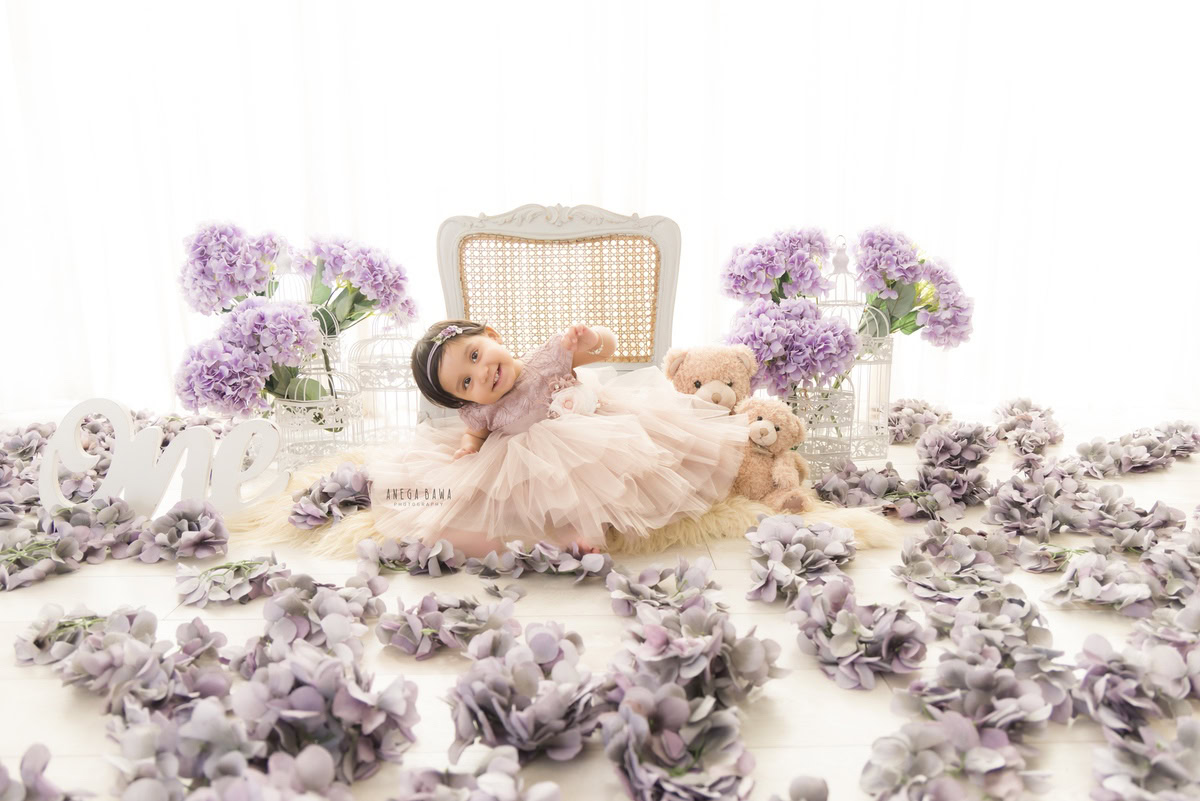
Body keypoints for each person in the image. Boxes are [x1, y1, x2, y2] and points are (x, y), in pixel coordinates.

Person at [362, 318, 749, 557]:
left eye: (476, 355)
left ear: (491, 335)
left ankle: (589, 526)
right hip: (526, 463)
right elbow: (474, 435)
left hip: (593, 436)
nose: (480, 374)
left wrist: (591, 338)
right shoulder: (481, 411)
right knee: (500, 506)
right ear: (464, 399)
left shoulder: (550, 355)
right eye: (466, 382)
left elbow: (608, 348)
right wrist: (467, 450)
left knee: (616, 471)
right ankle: (567, 537)